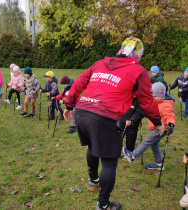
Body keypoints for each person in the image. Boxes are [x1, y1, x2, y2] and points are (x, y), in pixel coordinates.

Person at [63, 37, 164, 210]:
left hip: (82, 112)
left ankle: (93, 181)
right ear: (138, 54)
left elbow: (80, 81)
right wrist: (157, 122)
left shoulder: (99, 63)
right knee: (109, 162)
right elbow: (147, 100)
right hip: (105, 117)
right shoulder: (139, 71)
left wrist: (70, 104)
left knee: (92, 147)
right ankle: (103, 205)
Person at [123, 82, 175, 170]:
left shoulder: (166, 105)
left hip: (162, 129)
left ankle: (133, 155)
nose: (152, 98)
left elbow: (170, 116)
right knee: (154, 145)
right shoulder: (156, 103)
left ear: (160, 96)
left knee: (146, 141)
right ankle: (158, 163)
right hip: (155, 128)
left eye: (154, 97)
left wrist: (171, 125)